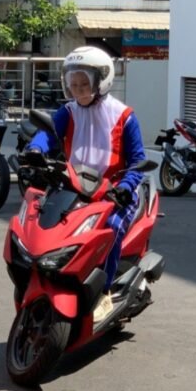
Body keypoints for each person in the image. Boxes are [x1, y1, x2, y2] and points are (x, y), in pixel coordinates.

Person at [26, 46, 146, 323]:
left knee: (112, 228)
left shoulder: (124, 116)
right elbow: (47, 135)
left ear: (100, 81)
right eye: (74, 84)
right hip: (75, 184)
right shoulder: (67, 112)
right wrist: (35, 149)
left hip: (114, 191)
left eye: (84, 84)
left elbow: (138, 160)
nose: (79, 90)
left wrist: (126, 186)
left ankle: (104, 291)